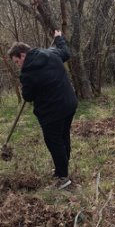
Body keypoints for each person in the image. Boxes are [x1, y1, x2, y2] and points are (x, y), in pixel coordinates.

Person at [8, 30, 78, 190]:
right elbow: (66, 53)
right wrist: (59, 38)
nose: (18, 66)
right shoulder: (50, 53)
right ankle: (63, 168)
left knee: (54, 142)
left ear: (22, 55)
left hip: (52, 113)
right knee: (63, 135)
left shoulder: (27, 74)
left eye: (17, 62)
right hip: (69, 104)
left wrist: (24, 86)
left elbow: (28, 96)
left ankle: (63, 178)